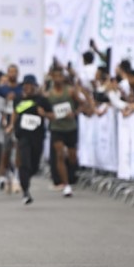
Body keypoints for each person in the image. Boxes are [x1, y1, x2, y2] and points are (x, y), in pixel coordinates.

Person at [5, 74, 54, 205]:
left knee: (34, 165)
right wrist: (11, 125)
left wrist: (45, 114)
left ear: (34, 86)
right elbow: (15, 112)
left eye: (29, 85)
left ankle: (25, 178)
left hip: (37, 136)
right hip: (23, 135)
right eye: (25, 85)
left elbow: (52, 115)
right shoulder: (18, 99)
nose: (27, 87)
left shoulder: (41, 100)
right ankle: (25, 191)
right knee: (24, 162)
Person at [46, 69, 85, 197]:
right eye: (55, 76)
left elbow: (82, 104)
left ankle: (71, 172)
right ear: (52, 78)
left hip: (70, 127)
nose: (58, 79)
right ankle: (66, 185)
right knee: (60, 155)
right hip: (56, 128)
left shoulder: (70, 91)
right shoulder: (49, 94)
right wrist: (49, 115)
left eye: (60, 76)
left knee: (72, 157)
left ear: (63, 78)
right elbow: (43, 110)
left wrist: (74, 113)